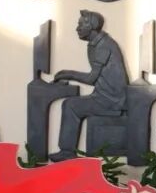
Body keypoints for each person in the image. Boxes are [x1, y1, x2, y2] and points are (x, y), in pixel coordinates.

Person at [50, 11, 128, 161]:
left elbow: (92, 78)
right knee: (71, 104)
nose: (77, 28)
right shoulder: (96, 44)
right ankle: (66, 151)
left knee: (70, 105)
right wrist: (67, 74)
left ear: (92, 26)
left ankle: (67, 152)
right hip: (104, 95)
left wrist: (69, 74)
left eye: (81, 24)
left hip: (112, 100)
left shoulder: (104, 45)